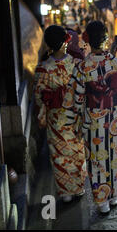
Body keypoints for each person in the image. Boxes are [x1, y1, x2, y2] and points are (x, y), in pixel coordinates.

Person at [65, 21, 117, 215]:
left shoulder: (82, 67)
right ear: (106, 39)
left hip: (94, 121)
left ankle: (102, 202)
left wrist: (75, 121)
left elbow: (76, 98)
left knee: (97, 161)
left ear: (87, 39)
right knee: (116, 157)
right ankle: (114, 196)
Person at [33, 25, 87, 203]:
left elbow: (40, 97)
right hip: (75, 117)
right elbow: (83, 90)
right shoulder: (76, 64)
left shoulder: (42, 68)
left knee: (60, 156)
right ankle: (78, 188)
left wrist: (54, 98)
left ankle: (65, 192)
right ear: (65, 42)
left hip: (56, 119)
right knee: (77, 153)